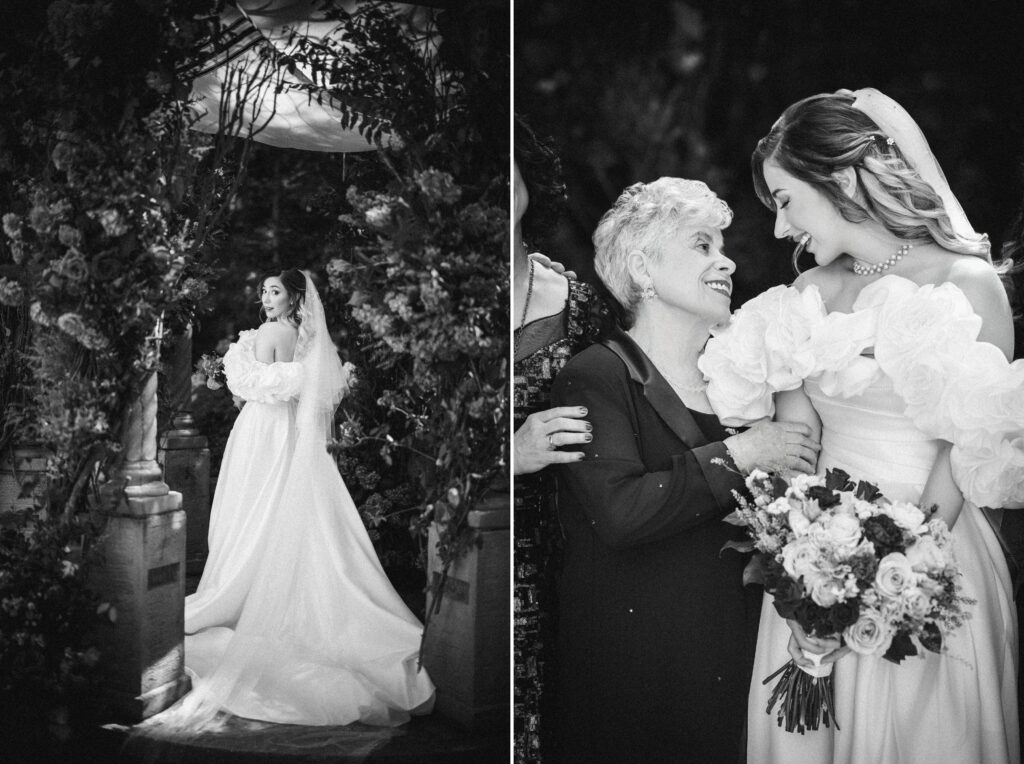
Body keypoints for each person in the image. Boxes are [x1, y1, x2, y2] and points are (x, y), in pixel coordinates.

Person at [699, 88, 1021, 763]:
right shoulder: (804, 297)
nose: (781, 230)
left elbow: (963, 454)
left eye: (785, 201)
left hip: (933, 559)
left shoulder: (967, 287)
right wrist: (805, 568)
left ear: (841, 178)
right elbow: (797, 452)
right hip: (818, 561)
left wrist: (887, 577)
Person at [550, 177, 820, 763]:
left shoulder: (740, 381)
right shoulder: (597, 375)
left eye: (722, 246)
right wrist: (742, 455)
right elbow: (621, 513)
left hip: (731, 653)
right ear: (644, 269)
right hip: (633, 668)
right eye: (702, 245)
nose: (725, 262)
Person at [165, 269, 434, 727]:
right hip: (292, 433)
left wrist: (232, 370)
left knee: (252, 510)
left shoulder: (267, 334)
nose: (265, 298)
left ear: (293, 299)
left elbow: (248, 386)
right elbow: (309, 387)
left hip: (263, 432)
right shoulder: (307, 342)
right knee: (284, 511)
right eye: (264, 291)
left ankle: (244, 592)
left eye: (274, 292)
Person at [513, 116, 608, 763]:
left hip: (568, 536)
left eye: (507, 169)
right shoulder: (444, 302)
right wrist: (508, 453)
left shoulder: (578, 299)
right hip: (486, 536)